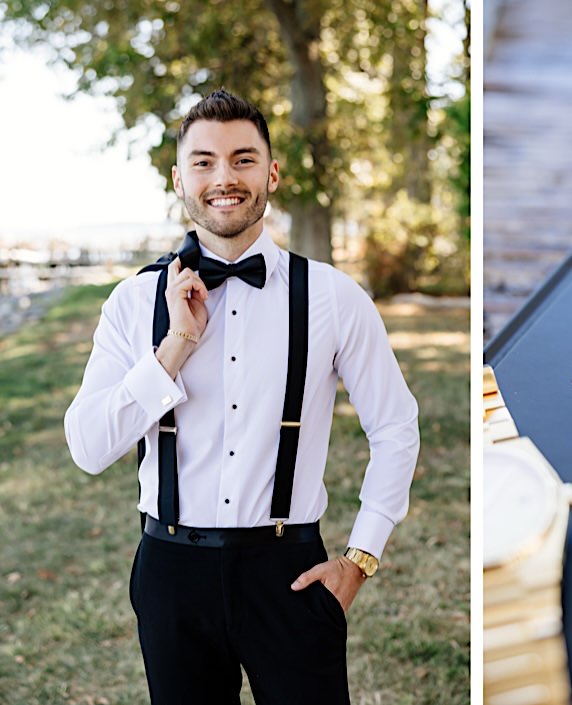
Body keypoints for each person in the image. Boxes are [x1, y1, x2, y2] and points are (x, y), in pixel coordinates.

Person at [63, 89, 420, 705]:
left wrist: (360, 558)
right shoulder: (131, 302)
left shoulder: (334, 298)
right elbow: (89, 448)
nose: (224, 178)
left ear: (272, 172)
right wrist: (174, 345)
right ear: (179, 179)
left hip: (289, 570)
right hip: (170, 568)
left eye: (243, 159)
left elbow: (396, 428)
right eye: (203, 161)